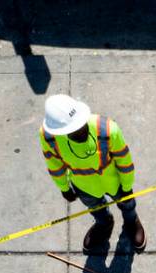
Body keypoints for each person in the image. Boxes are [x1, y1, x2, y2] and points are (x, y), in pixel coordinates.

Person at [39, 94, 146, 254]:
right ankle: (104, 224)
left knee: (127, 204)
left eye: (81, 124)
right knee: (94, 208)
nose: (81, 131)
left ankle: (131, 221)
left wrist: (127, 185)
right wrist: (64, 187)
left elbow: (124, 160)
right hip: (83, 186)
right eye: (73, 130)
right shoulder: (49, 138)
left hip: (114, 181)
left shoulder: (108, 129)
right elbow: (54, 165)